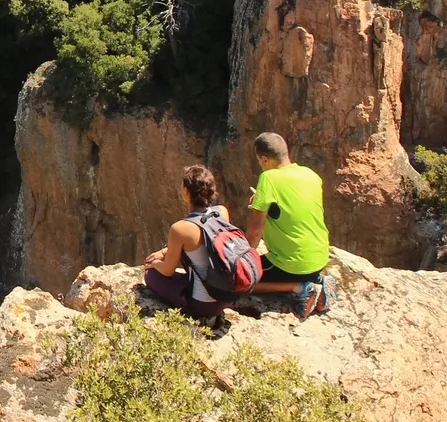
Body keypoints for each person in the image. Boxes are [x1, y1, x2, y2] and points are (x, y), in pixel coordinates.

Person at [245, 132, 334, 316]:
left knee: (239, 283)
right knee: (304, 269)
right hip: (319, 258)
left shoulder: (269, 178)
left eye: (260, 162)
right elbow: (294, 209)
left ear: (264, 159)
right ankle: (319, 283)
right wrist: (264, 203)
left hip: (290, 264)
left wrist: (244, 262)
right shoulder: (311, 175)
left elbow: (255, 231)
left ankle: (301, 289)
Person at [141, 165, 234, 323]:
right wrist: (165, 251)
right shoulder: (222, 212)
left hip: (203, 305)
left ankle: (201, 316)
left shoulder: (180, 229)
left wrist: (156, 263)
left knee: (151, 276)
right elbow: (204, 244)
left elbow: (167, 271)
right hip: (226, 296)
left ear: (186, 192)